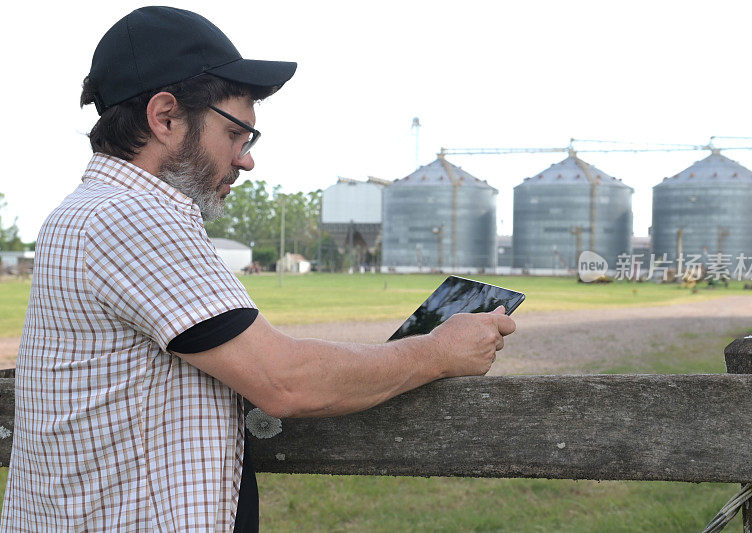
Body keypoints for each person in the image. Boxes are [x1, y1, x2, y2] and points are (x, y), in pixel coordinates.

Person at [0, 6, 516, 532]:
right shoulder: (134, 215)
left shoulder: (84, 210)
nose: (246, 160)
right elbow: (284, 381)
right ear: (166, 117)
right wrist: (438, 351)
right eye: (238, 134)